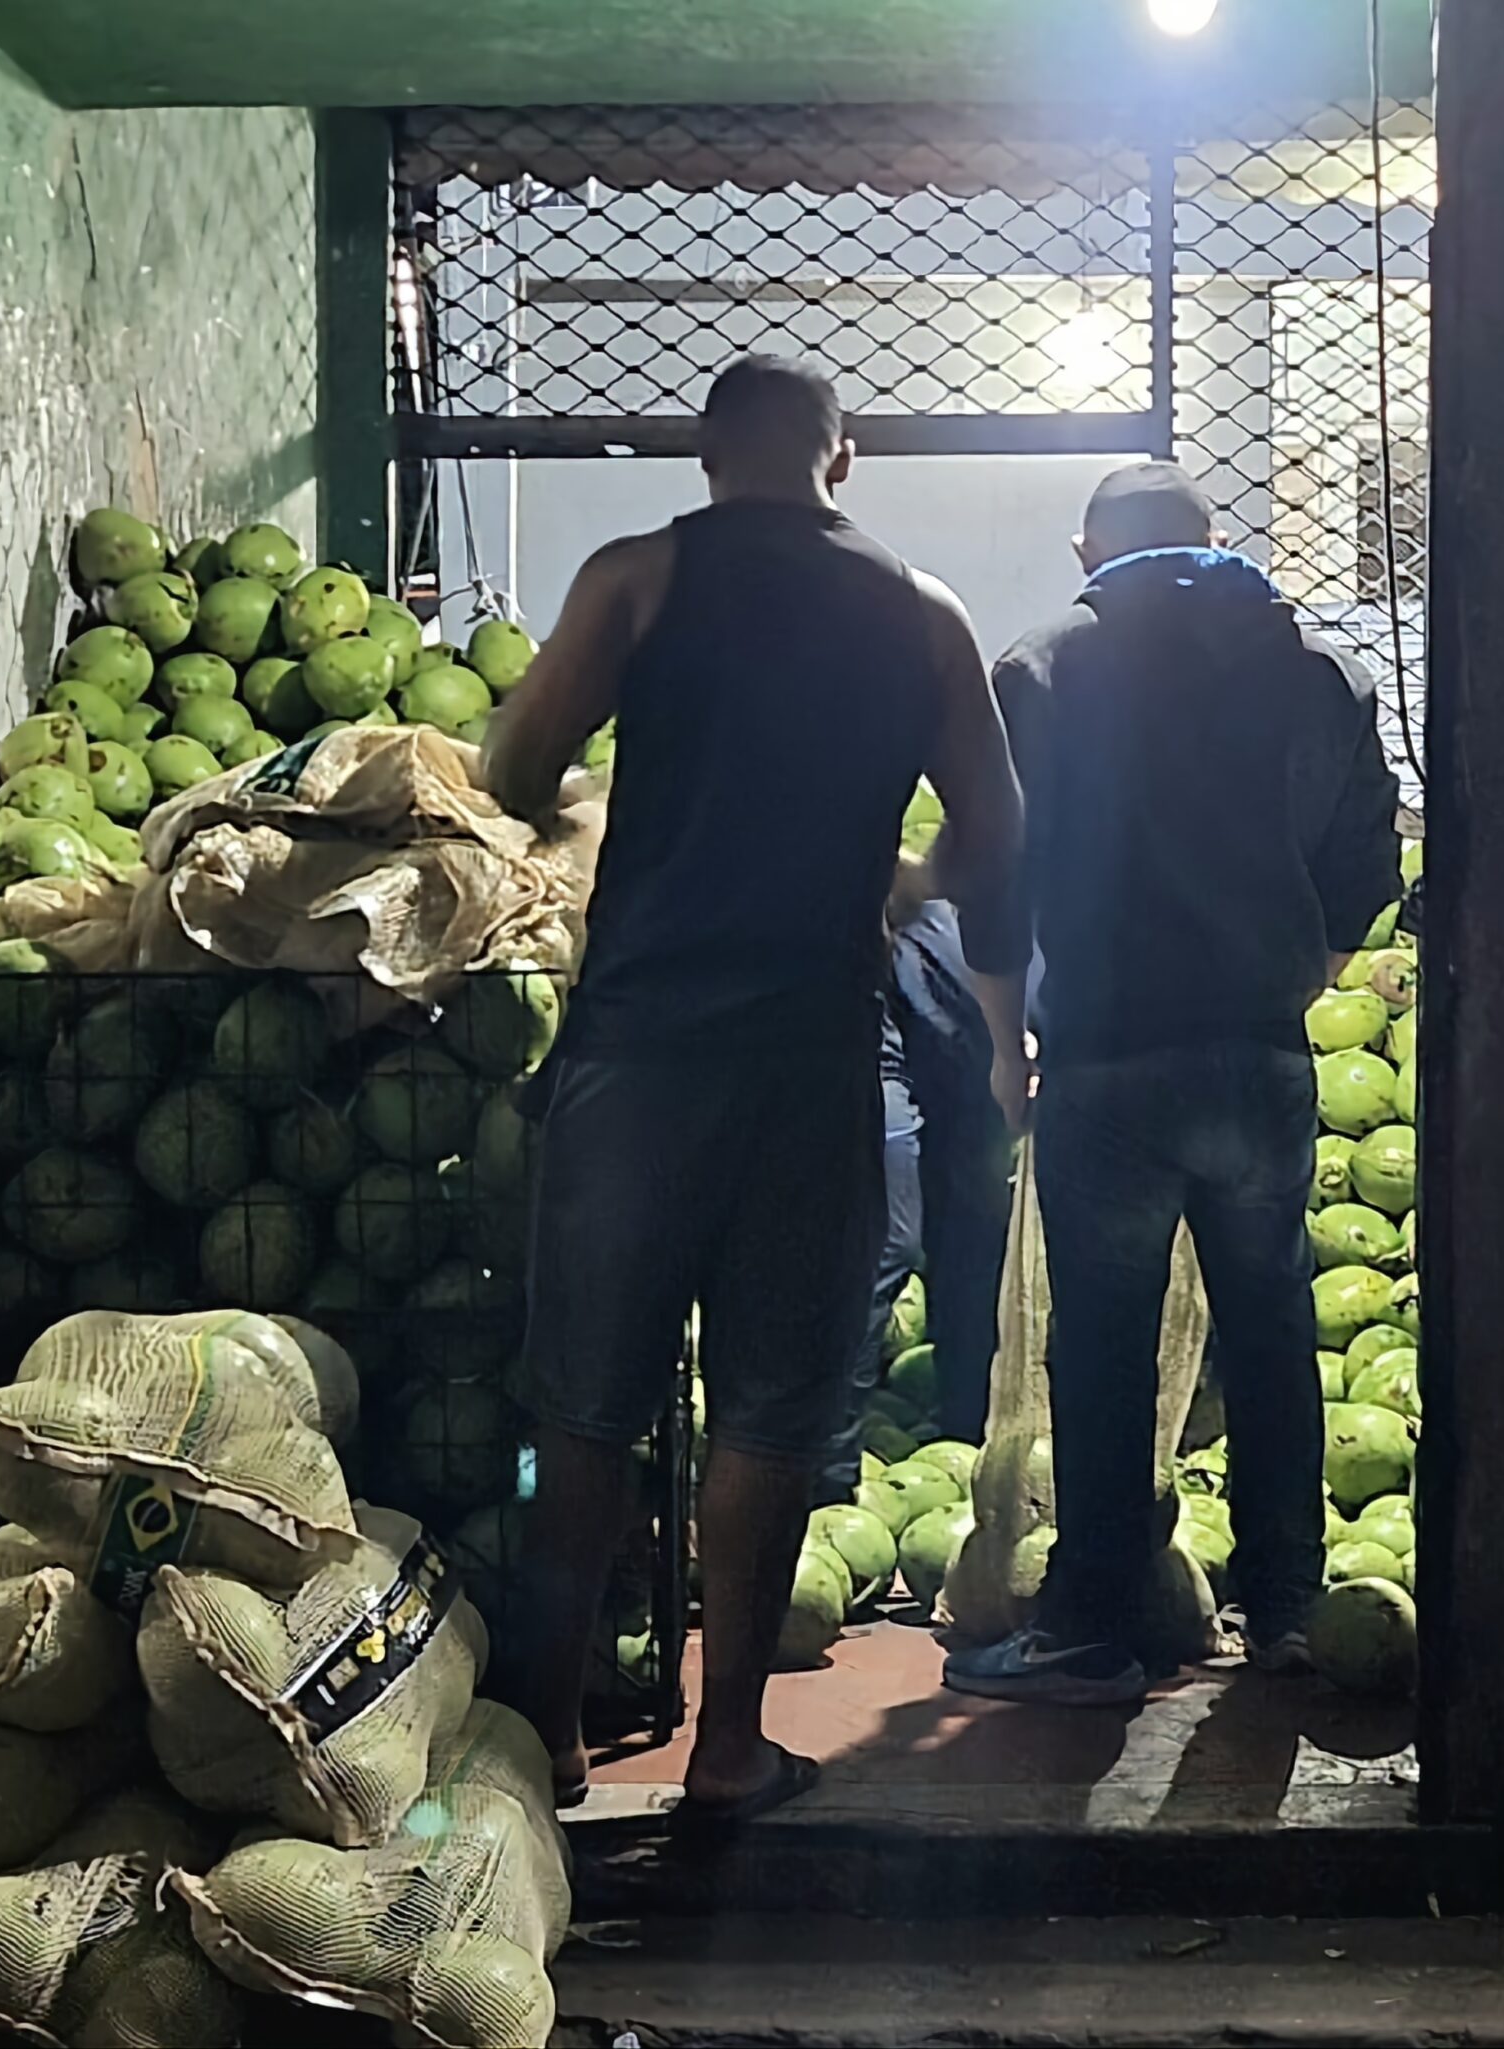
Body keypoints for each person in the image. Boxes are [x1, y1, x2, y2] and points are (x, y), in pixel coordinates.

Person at [480, 354, 1032, 1822]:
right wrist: (902, 877)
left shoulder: (635, 579)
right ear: (841, 462)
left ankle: (547, 1728)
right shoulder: (923, 617)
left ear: (704, 455)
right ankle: (728, 1748)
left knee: (584, 1409)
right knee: (768, 1414)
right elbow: (995, 841)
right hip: (811, 1057)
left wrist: (591, 806)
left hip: (639, 1049)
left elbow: (514, 763)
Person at [944, 462, 1400, 1708]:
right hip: (1259, 1057)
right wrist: (1288, 992)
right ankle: (1288, 1606)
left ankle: (1085, 1627)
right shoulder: (1319, 674)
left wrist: (1002, 1041)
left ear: (1088, 550)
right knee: (1270, 1325)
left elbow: (997, 879)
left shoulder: (1040, 670)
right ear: (1212, 542)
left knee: (1100, 1342)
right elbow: (1367, 875)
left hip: (1106, 1058)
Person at [820, 901, 1024, 1504]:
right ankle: (824, 1474)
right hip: (874, 1037)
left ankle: (969, 1434)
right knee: (888, 1238)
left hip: (969, 1064)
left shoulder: (1060, 933)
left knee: (976, 1237)